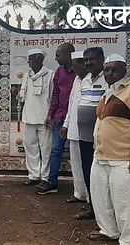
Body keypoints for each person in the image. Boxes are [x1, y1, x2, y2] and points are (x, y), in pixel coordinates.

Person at [87, 53, 130, 245]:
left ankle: (129, 241)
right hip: (101, 156)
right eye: (107, 69)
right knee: (99, 197)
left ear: (124, 71)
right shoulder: (107, 93)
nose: (109, 73)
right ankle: (108, 230)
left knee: (124, 201)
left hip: (123, 159)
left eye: (114, 69)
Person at [37, 43, 75, 195]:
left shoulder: (80, 71)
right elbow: (56, 95)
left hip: (77, 118)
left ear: (68, 55)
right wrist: (51, 114)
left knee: (78, 152)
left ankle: (84, 187)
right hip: (60, 117)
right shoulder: (59, 71)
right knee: (56, 150)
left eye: (58, 55)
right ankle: (52, 182)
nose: (56, 58)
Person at [73, 47, 106, 220]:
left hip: (102, 138)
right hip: (84, 136)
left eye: (92, 59)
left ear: (102, 59)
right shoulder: (85, 80)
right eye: (86, 60)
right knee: (88, 171)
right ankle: (93, 207)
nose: (88, 63)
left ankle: (103, 210)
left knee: (101, 174)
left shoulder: (107, 78)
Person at [18, 49, 54, 187]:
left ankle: (45, 176)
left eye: (32, 58)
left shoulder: (50, 74)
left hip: (44, 117)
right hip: (29, 116)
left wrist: (50, 115)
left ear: (40, 59)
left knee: (46, 149)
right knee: (30, 147)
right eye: (29, 59)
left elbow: (52, 96)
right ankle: (33, 176)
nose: (29, 62)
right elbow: (23, 94)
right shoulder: (27, 75)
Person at [60, 51, 89, 204]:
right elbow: (71, 105)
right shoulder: (77, 80)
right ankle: (79, 193)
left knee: (88, 165)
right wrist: (65, 125)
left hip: (89, 131)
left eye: (75, 65)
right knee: (76, 164)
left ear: (83, 64)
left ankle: (91, 198)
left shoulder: (94, 80)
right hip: (73, 129)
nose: (72, 68)